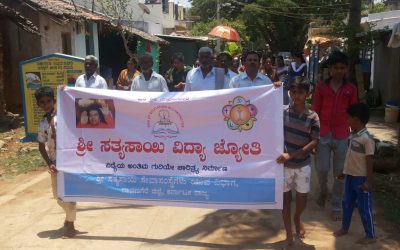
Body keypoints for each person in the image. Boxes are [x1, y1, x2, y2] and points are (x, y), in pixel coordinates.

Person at [313, 51, 358, 221]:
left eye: (342, 68)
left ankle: (336, 205)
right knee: (322, 168)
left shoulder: (351, 89)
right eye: (336, 67)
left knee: (340, 172)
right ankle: (323, 191)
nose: (339, 71)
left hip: (342, 134)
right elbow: (316, 110)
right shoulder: (321, 87)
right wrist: (313, 134)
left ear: (346, 69)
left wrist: (355, 132)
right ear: (330, 69)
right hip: (323, 132)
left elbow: (354, 112)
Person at [276, 77, 320, 246]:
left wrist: (292, 155)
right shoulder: (282, 112)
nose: (297, 96)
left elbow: (314, 142)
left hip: (302, 165)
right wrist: (274, 88)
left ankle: (297, 218)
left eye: (301, 92)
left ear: (308, 94)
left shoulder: (313, 117)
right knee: (285, 202)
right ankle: (288, 234)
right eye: (293, 92)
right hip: (283, 166)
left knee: (302, 200)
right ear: (290, 93)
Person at [35, 86, 77, 238]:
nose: (46, 104)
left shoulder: (65, 116)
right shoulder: (42, 124)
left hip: (69, 161)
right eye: (42, 102)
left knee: (68, 195)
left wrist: (65, 90)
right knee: (58, 196)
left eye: (49, 101)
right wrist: (49, 163)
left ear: (54, 100)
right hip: (55, 163)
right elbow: (41, 146)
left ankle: (71, 226)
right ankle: (69, 218)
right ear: (39, 105)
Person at [333, 103, 376, 245]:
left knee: (365, 208)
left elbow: (370, 161)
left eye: (348, 118)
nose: (347, 120)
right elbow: (349, 157)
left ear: (356, 119)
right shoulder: (353, 136)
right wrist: (344, 172)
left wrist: (368, 181)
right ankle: (345, 228)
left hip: (361, 179)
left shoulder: (367, 139)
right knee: (346, 204)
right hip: (350, 177)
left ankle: (370, 235)